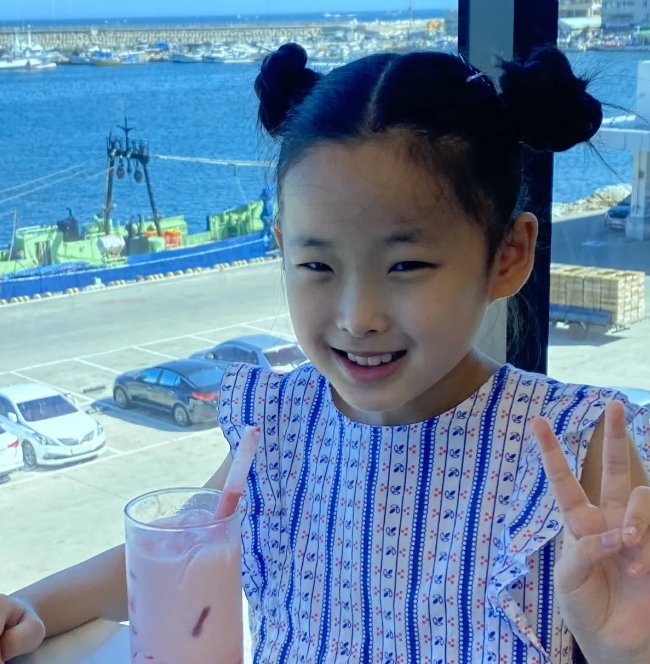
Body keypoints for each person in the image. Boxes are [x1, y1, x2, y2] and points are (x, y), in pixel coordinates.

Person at [1, 43, 650, 664]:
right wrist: (31, 607)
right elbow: (179, 548)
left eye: (407, 265)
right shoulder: (281, 424)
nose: (357, 317)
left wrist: (626, 651)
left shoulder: (587, 450)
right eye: (316, 264)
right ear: (282, 245)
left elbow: (629, 618)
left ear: (508, 255)